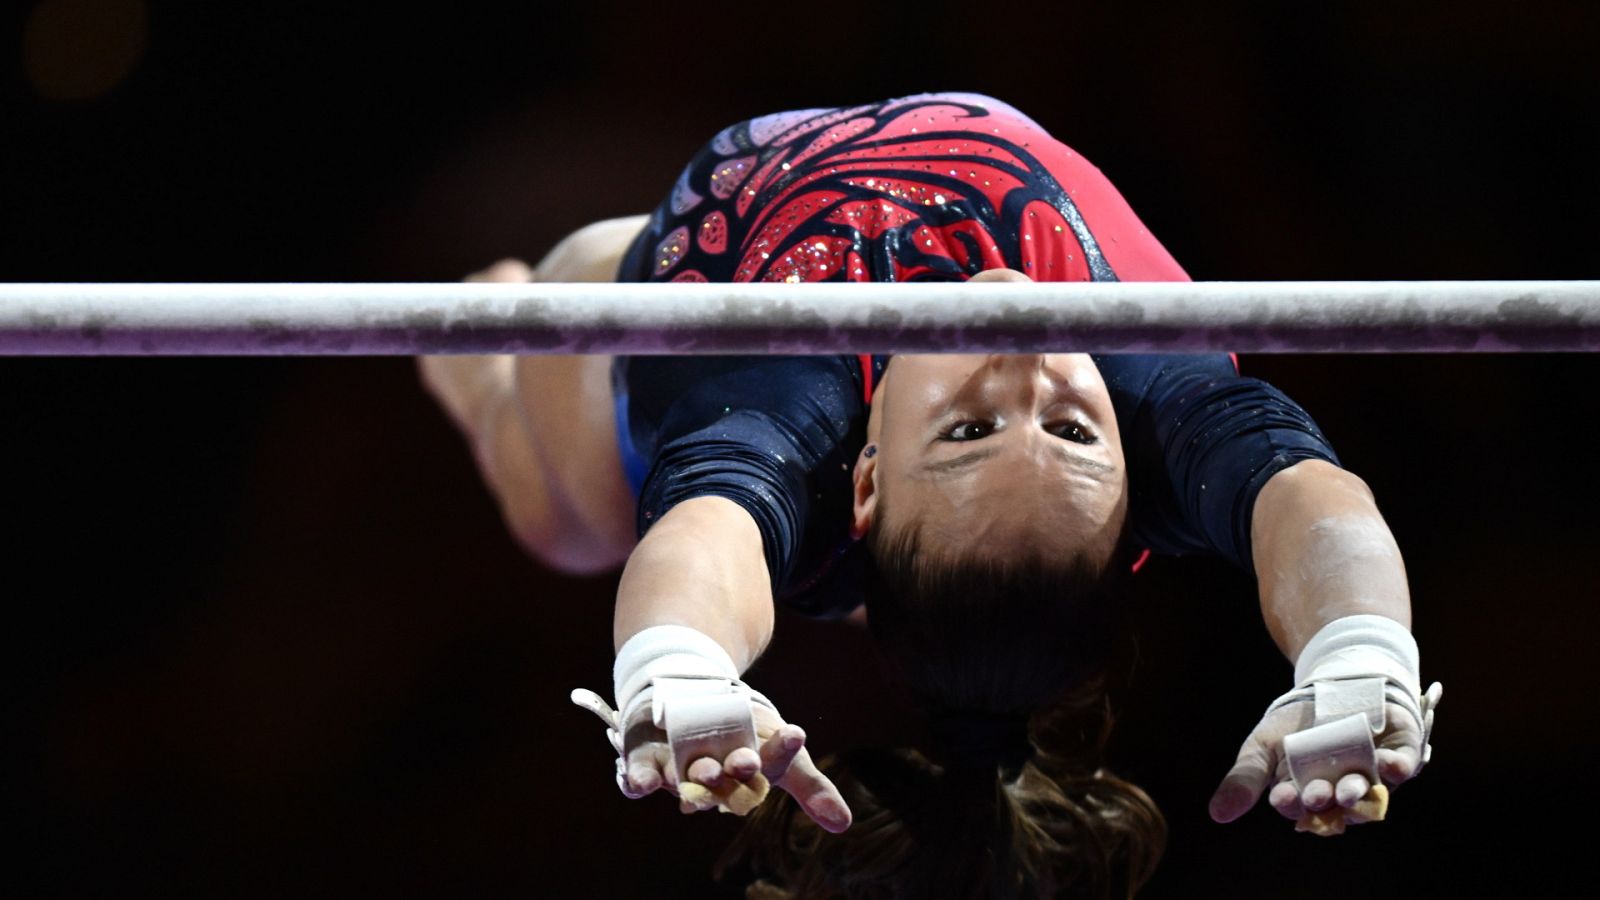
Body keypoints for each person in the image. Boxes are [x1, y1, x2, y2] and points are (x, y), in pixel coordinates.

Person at [418, 93, 1440, 897]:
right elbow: (1313, 505)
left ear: (865, 475)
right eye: (1071, 430)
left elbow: (703, 541)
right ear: (1138, 476)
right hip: (816, 439)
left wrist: (676, 665)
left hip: (616, 305)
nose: (1025, 372)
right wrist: (1358, 652)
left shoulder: (788, 412)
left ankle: (469, 354)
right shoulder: (1156, 391)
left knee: (571, 525)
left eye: (967, 431)